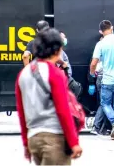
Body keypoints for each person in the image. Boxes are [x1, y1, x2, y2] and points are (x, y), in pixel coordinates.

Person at [15, 28, 82, 165]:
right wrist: (73, 142)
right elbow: (63, 110)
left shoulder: (24, 74)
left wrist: (26, 143)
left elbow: (22, 113)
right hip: (54, 138)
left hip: (34, 138)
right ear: (57, 50)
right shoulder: (55, 73)